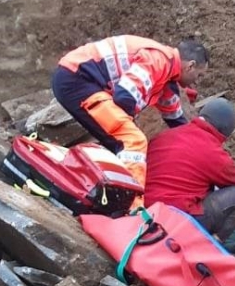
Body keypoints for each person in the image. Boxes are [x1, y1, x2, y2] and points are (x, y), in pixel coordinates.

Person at [53, 35, 208, 192]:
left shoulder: (167, 75)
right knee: (133, 140)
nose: (197, 82)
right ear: (190, 66)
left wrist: (201, 148)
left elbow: (176, 121)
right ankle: (132, 205)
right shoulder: (158, 60)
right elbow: (124, 97)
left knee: (120, 139)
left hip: (78, 77)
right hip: (77, 79)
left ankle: (106, 193)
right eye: (199, 75)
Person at [143, 98, 235, 247]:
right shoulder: (214, 153)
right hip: (179, 220)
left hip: (146, 215)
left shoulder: (164, 136)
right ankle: (213, 246)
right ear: (224, 132)